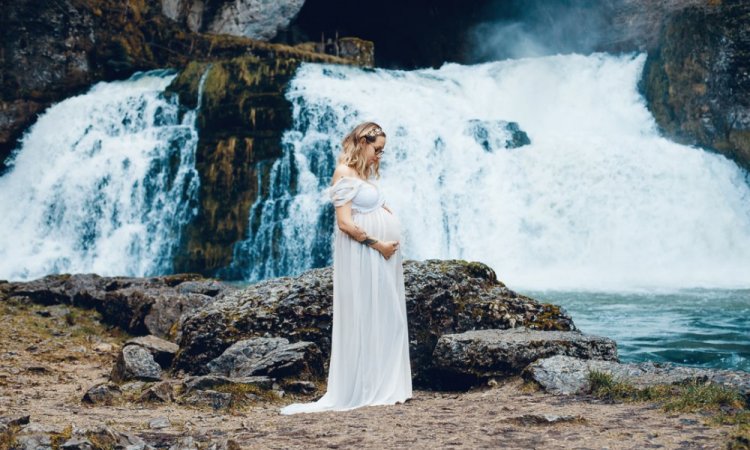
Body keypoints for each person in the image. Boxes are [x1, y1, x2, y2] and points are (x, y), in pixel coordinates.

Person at [280, 122, 412, 414]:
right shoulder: (343, 172)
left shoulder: (361, 175)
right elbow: (345, 223)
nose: (379, 155)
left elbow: (366, 209)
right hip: (366, 255)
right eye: (377, 149)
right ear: (363, 142)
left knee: (385, 313)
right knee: (368, 313)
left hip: (380, 256)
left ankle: (384, 382)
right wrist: (380, 244)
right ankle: (366, 386)